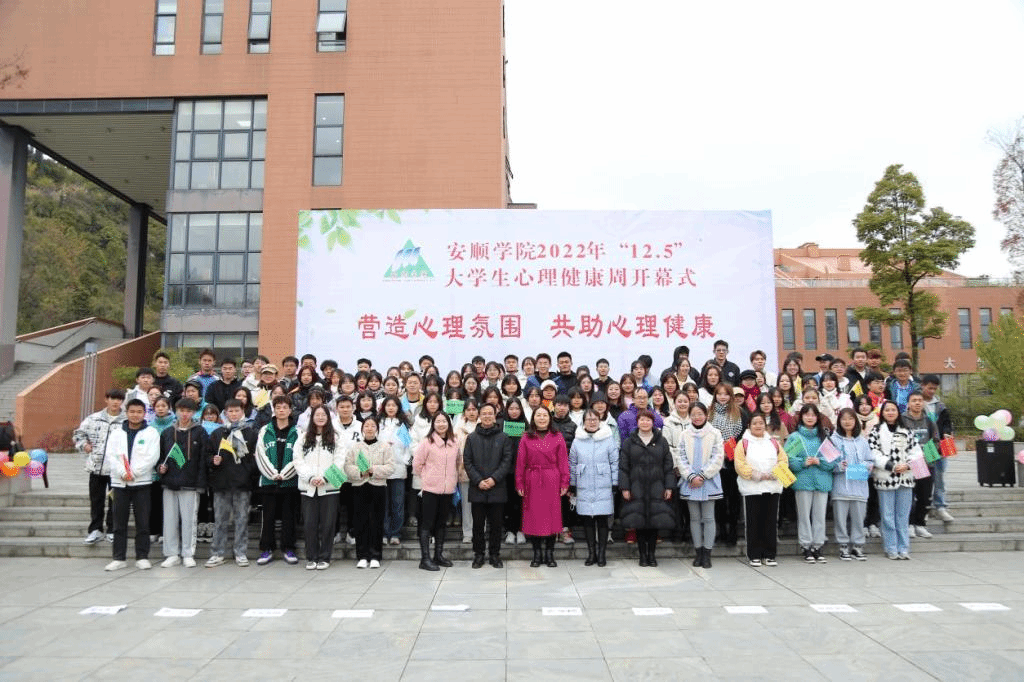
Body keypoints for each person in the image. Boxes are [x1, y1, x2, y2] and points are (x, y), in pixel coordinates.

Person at [105, 399, 160, 571]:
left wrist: (134, 472)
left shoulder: (151, 433)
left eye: (139, 412)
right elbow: (111, 455)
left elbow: (152, 457)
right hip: (120, 483)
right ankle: (118, 558)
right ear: (126, 412)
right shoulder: (116, 433)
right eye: (132, 411)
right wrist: (123, 472)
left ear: (144, 414)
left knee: (143, 522)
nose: (135, 415)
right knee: (119, 522)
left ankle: (142, 556)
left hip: (141, 483)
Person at [618, 409, 675, 567]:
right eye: (642, 420)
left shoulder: (661, 440)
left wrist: (669, 487)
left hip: (657, 486)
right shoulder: (629, 442)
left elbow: (668, 466)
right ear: (637, 422)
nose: (645, 423)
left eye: (648, 420)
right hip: (636, 486)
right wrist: (625, 487)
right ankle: (642, 555)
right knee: (639, 522)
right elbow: (623, 467)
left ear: (653, 422)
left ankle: (652, 555)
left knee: (654, 522)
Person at [204, 399, 258, 567]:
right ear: (225, 413)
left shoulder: (250, 433)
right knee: (220, 520)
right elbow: (207, 455)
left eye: (237, 411)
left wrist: (248, 472)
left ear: (243, 412)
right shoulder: (218, 433)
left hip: (242, 483)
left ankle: (240, 552)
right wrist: (213, 460)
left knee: (241, 519)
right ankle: (217, 552)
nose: (233, 414)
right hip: (222, 483)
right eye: (230, 411)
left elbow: (255, 459)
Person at [157, 397, 208, 568]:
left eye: (188, 411)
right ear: (176, 411)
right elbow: (161, 456)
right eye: (181, 410)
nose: (184, 414)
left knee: (188, 521)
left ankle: (188, 553)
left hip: (190, 484)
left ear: (194, 413)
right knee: (169, 520)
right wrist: (160, 468)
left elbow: (203, 460)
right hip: (169, 482)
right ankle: (171, 554)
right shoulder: (167, 433)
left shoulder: (200, 432)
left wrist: (200, 484)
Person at [516, 406, 569, 568]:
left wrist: (564, 482)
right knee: (534, 517)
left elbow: (563, 462)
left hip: (552, 479)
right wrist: (519, 482)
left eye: (544, 415)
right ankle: (537, 553)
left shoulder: (557, 436)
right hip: (532, 479)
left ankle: (550, 553)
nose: (541, 418)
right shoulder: (526, 437)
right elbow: (520, 462)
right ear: (533, 418)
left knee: (552, 517)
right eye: (538, 415)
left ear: (549, 418)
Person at [293, 405, 345, 570]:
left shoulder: (336, 437)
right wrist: (310, 477)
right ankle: (312, 557)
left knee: (328, 524)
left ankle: (325, 557)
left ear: (329, 418)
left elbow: (340, 460)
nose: (321, 417)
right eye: (317, 415)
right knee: (310, 524)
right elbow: (297, 460)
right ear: (312, 417)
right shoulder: (303, 437)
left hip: (329, 487)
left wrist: (325, 477)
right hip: (308, 487)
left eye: (324, 415)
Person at [73, 388, 126, 544]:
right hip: (96, 467)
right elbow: (78, 434)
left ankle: (112, 530)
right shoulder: (93, 418)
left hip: (116, 470)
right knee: (96, 500)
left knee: (115, 501)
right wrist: (84, 445)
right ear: (106, 399)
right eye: (112, 398)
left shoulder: (126, 420)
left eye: (119, 399)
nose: (115, 402)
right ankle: (95, 530)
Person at [868, 400, 919, 560]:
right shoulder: (876, 431)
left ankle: (903, 548)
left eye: (893, 410)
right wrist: (891, 466)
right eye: (887, 410)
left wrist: (907, 465)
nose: (890, 412)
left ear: (898, 412)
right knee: (887, 516)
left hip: (905, 478)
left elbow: (916, 451)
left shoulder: (907, 431)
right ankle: (890, 547)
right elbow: (873, 452)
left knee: (903, 516)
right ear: (882, 413)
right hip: (885, 478)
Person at [463, 403, 512, 568]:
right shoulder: (471, 438)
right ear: (479, 415)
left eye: (490, 413)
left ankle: (494, 555)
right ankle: (478, 554)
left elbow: (506, 461)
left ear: (495, 415)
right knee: (478, 525)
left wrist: (494, 479)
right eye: (484, 413)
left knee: (496, 525)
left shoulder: (504, 437)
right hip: (477, 488)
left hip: (497, 487)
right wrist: (478, 480)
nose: (487, 416)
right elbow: (467, 461)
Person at [735, 413, 787, 567]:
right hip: (752, 488)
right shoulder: (743, 443)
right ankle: (754, 555)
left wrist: (774, 473)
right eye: (755, 423)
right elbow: (740, 464)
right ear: (749, 426)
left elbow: (783, 460)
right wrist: (756, 475)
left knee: (770, 522)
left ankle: (770, 554)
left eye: (761, 423)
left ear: (765, 425)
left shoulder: (773, 442)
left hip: (772, 487)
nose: (758, 426)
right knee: (753, 522)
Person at [254, 395, 301, 566]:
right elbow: (260, 454)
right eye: (278, 407)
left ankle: (288, 548)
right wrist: (272, 474)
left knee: (289, 518)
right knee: (268, 518)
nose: (281, 410)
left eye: (284, 407)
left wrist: (285, 474)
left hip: (290, 482)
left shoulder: (298, 432)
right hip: (269, 482)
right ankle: (266, 549)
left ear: (290, 410)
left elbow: (299, 457)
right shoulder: (265, 430)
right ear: (274, 410)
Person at [412, 411, 461, 571]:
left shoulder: (454, 442)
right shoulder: (427, 442)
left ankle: (438, 555)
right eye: (438, 421)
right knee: (427, 524)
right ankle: (425, 559)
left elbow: (458, 462)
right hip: (430, 489)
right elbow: (417, 464)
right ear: (433, 424)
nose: (441, 424)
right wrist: (428, 477)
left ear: (449, 423)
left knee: (441, 523)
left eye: (444, 421)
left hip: (448, 490)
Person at [786, 404, 835, 563]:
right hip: (803, 481)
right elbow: (788, 459)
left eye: (813, 415)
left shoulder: (824, 436)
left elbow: (833, 461)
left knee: (820, 516)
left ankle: (818, 546)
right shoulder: (795, 437)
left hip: (822, 481)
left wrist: (819, 461)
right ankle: (806, 546)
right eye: (806, 414)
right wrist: (803, 462)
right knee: (804, 516)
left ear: (817, 418)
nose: (810, 418)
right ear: (801, 417)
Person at [678, 402, 724, 568]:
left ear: (706, 415)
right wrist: (690, 476)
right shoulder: (684, 434)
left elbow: (718, 457)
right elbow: (680, 456)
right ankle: (698, 553)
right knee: (694, 519)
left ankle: (707, 554)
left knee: (709, 518)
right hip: (690, 482)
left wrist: (703, 475)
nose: (697, 417)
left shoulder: (715, 433)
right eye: (694, 414)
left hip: (709, 481)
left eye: (700, 414)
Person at [570, 409, 618, 566]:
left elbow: (614, 462)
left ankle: (602, 554)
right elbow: (572, 463)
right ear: (583, 422)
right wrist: (572, 484)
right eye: (588, 419)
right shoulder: (577, 440)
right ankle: (591, 554)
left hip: (603, 484)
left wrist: (615, 482)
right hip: (583, 484)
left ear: (600, 420)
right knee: (587, 521)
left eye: (595, 419)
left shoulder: (608, 438)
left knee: (602, 520)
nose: (592, 422)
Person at [344, 416, 394, 568]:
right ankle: (362, 555)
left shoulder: (385, 447)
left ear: (377, 429)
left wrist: (373, 470)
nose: (370, 428)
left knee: (376, 521)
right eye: (366, 426)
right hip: (359, 486)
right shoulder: (356, 447)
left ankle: (375, 556)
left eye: (373, 426)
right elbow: (347, 466)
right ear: (362, 429)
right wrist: (360, 472)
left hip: (377, 486)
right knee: (360, 521)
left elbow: (391, 467)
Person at [829, 408, 873, 561]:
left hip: (860, 487)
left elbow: (870, 461)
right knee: (840, 520)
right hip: (841, 487)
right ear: (839, 421)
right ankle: (843, 546)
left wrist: (863, 466)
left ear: (856, 421)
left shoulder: (862, 441)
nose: (847, 422)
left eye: (850, 419)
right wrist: (839, 466)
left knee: (859, 519)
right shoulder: (833, 440)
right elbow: (828, 463)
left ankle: (857, 546)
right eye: (844, 419)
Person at [902, 390, 940, 539]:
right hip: (908, 465)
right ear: (908, 403)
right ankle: (909, 524)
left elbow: (935, 440)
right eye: (914, 400)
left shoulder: (929, 420)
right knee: (909, 496)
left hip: (925, 464)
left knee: (924, 496)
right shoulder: (902, 420)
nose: (917, 403)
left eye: (920, 400)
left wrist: (926, 458)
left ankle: (920, 524)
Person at [377, 396, 412, 546]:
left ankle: (395, 533)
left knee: (397, 504)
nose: (391, 408)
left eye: (394, 405)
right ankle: (384, 533)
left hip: (398, 469)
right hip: (381, 469)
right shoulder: (378, 423)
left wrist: (405, 461)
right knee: (382, 504)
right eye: (388, 405)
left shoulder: (403, 425)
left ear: (398, 408)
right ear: (383, 407)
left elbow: (409, 447)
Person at [921, 374, 955, 523]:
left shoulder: (940, 406)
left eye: (934, 389)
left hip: (942, 444)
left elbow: (947, 423)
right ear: (922, 386)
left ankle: (940, 506)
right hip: (927, 445)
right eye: (929, 388)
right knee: (926, 478)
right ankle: (925, 507)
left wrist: (947, 433)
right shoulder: (917, 403)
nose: (932, 391)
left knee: (940, 477)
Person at [500, 398, 528, 545]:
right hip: (507, 472)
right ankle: (510, 530)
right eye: (511, 408)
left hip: (524, 472)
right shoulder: (501, 426)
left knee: (522, 502)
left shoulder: (527, 427)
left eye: (517, 408)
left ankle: (521, 530)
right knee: (509, 502)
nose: (514, 411)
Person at [453, 399, 480, 542]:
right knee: (466, 505)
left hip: (482, 472)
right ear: (464, 412)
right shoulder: (458, 429)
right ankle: (468, 533)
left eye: (474, 409)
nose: (471, 412)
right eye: (468, 410)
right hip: (464, 470)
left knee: (480, 504)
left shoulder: (484, 426)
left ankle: (480, 531)